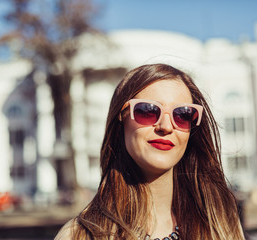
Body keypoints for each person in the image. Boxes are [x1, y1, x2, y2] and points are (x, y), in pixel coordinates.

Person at [54, 64, 245, 240]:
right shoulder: (79, 235)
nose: (166, 126)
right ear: (121, 118)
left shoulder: (220, 225)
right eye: (147, 111)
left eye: (183, 114)